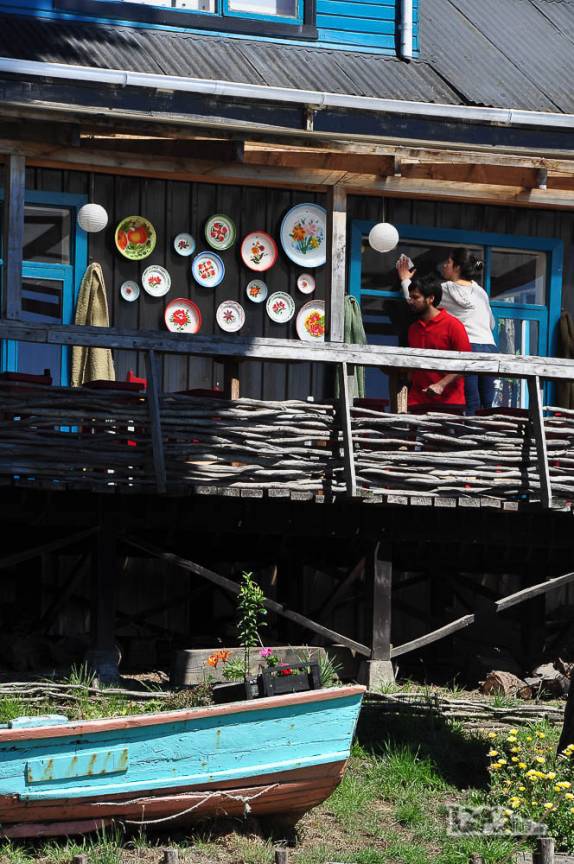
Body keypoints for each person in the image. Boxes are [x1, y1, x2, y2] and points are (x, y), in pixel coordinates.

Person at [397, 248, 497, 415]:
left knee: (471, 403)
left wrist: (405, 280)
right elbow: (491, 323)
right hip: (489, 348)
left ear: (457, 267)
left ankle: (469, 439)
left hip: (467, 346)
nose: (444, 266)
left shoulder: (446, 289)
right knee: (487, 405)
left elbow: (418, 298)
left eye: (448, 262)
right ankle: (488, 439)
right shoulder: (480, 292)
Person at [406, 274, 471, 414]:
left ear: (431, 299)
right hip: (417, 401)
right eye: (410, 297)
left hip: (448, 402)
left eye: (415, 297)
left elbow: (466, 363)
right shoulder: (413, 329)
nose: (411, 301)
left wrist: (441, 385)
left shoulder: (453, 325)